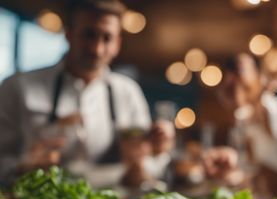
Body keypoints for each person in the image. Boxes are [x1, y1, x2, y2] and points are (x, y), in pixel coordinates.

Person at [0, 0, 174, 186]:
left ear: (117, 44)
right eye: (88, 35)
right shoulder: (17, 86)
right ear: (69, 34)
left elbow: (150, 162)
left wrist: (157, 151)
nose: (96, 49)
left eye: (107, 38)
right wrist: (23, 167)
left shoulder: (128, 92)